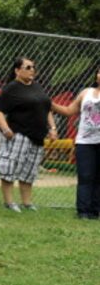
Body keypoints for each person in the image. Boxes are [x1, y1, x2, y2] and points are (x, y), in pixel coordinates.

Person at [0, 57, 55, 212]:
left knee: (29, 171)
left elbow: (46, 108)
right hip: (18, 135)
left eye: (33, 67)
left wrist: (52, 128)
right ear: (17, 70)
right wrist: (6, 129)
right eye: (28, 67)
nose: (32, 69)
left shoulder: (37, 86)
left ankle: (27, 203)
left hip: (37, 136)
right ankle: (9, 202)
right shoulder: (11, 88)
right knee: (10, 169)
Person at [50, 66, 100, 219]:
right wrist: (49, 104)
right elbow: (69, 111)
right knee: (85, 176)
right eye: (99, 71)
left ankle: (96, 211)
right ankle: (83, 211)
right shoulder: (86, 93)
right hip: (84, 142)